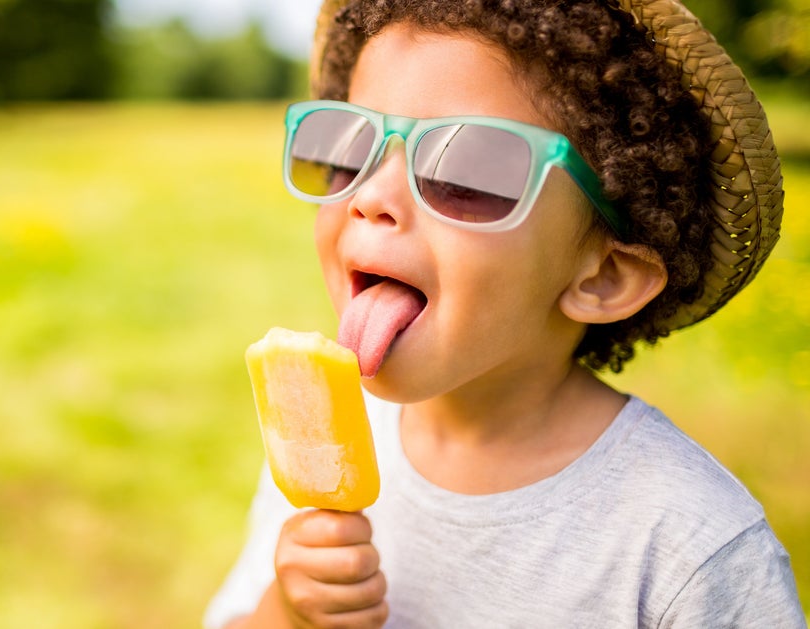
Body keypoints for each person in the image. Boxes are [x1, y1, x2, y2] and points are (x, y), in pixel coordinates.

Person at [204, 0, 806, 627]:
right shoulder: (327, 446)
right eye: (349, 152)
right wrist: (288, 612)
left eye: (465, 170)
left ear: (604, 276)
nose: (372, 196)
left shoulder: (687, 548)